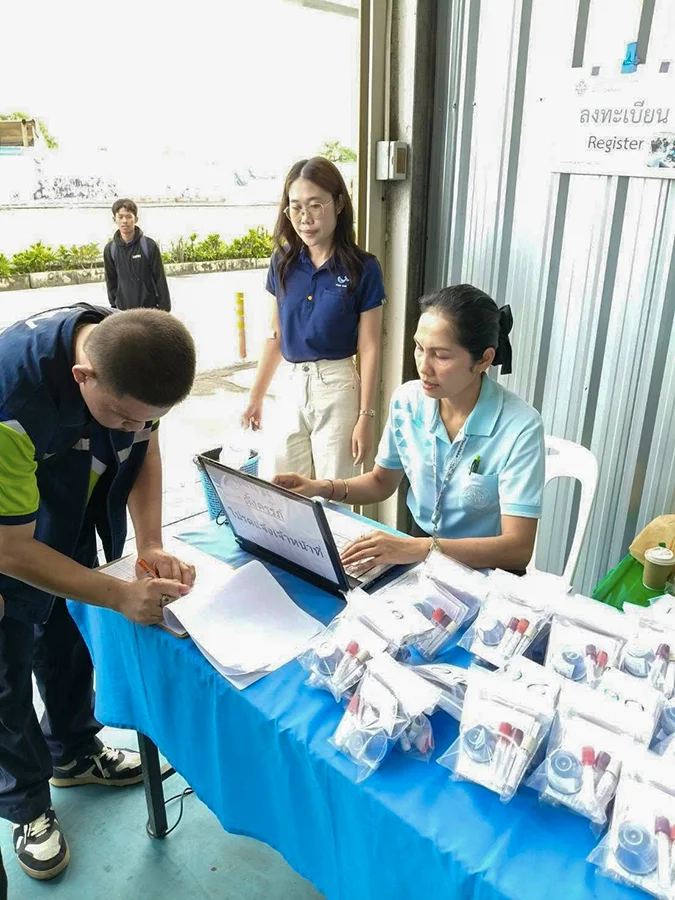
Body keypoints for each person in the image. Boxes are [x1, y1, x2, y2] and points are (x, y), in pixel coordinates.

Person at [0, 303, 196, 880]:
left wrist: (151, 540)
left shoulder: (132, 361)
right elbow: (11, 549)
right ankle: (26, 805)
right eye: (121, 416)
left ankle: (75, 751)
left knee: (66, 625)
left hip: (57, 486)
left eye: (147, 419)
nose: (133, 430)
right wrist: (115, 596)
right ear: (83, 375)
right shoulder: (12, 404)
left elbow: (144, 446)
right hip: (3, 519)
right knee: (7, 659)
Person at [274, 284, 545, 573]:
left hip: (487, 570)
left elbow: (517, 549)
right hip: (421, 556)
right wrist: (319, 487)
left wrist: (417, 549)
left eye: (441, 356)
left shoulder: (520, 426)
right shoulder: (408, 400)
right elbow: (381, 482)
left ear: (484, 359)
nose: (423, 367)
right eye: (419, 348)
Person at [241, 157, 385, 480]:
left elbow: (371, 346)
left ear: (338, 205)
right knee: (282, 488)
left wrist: (366, 415)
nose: (305, 218)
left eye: (315, 205)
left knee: (333, 491)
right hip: (290, 384)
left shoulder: (364, 268)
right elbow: (275, 338)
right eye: (295, 207)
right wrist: (256, 397)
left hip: (337, 386)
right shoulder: (281, 262)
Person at [103, 198, 172, 311]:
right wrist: (114, 307)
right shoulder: (110, 249)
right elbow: (111, 282)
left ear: (136, 219)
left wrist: (165, 310)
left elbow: (160, 280)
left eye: (129, 216)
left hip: (149, 310)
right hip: (124, 312)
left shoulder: (148, 246)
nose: (125, 221)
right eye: (120, 217)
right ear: (114, 219)